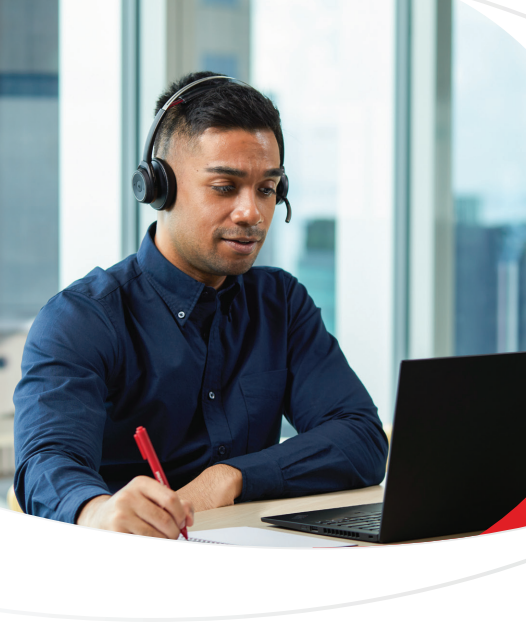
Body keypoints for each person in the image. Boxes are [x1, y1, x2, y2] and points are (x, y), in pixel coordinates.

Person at [12, 71, 388, 538]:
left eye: (267, 190)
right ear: (159, 189)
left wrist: (231, 478)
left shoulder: (281, 303)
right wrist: (95, 511)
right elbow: (46, 460)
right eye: (225, 187)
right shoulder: (81, 319)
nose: (251, 212)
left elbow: (362, 440)